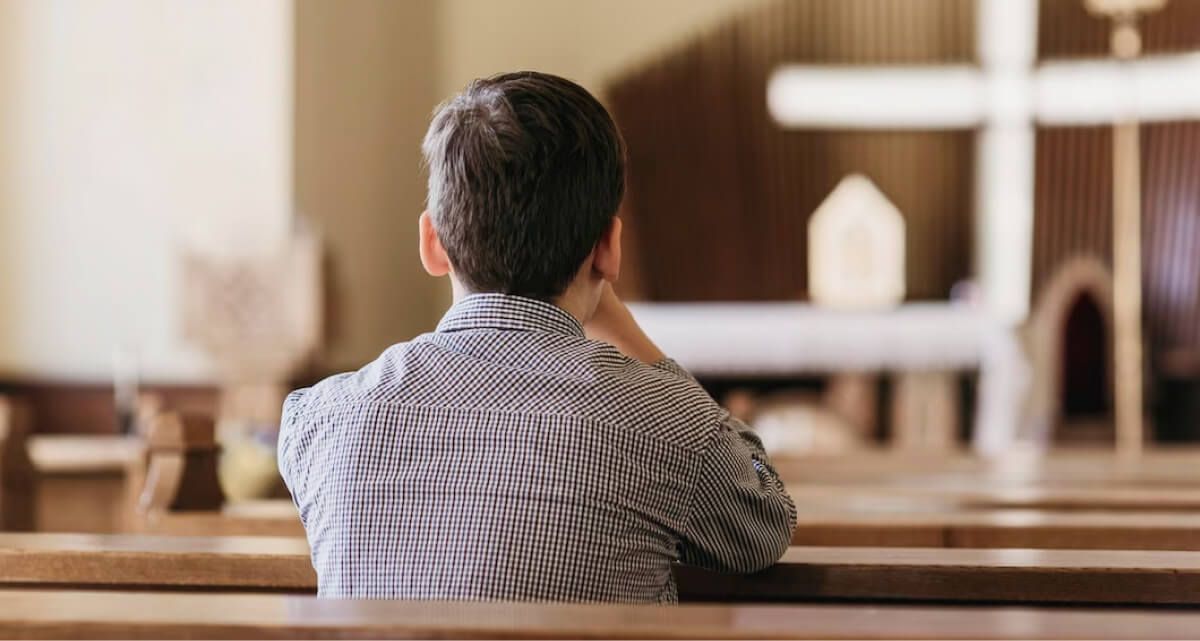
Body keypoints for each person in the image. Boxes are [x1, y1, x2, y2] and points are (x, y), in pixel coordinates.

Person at [278, 71, 795, 602]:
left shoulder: (321, 419)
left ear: (432, 243)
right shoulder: (666, 422)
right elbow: (763, 525)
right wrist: (636, 341)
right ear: (609, 249)